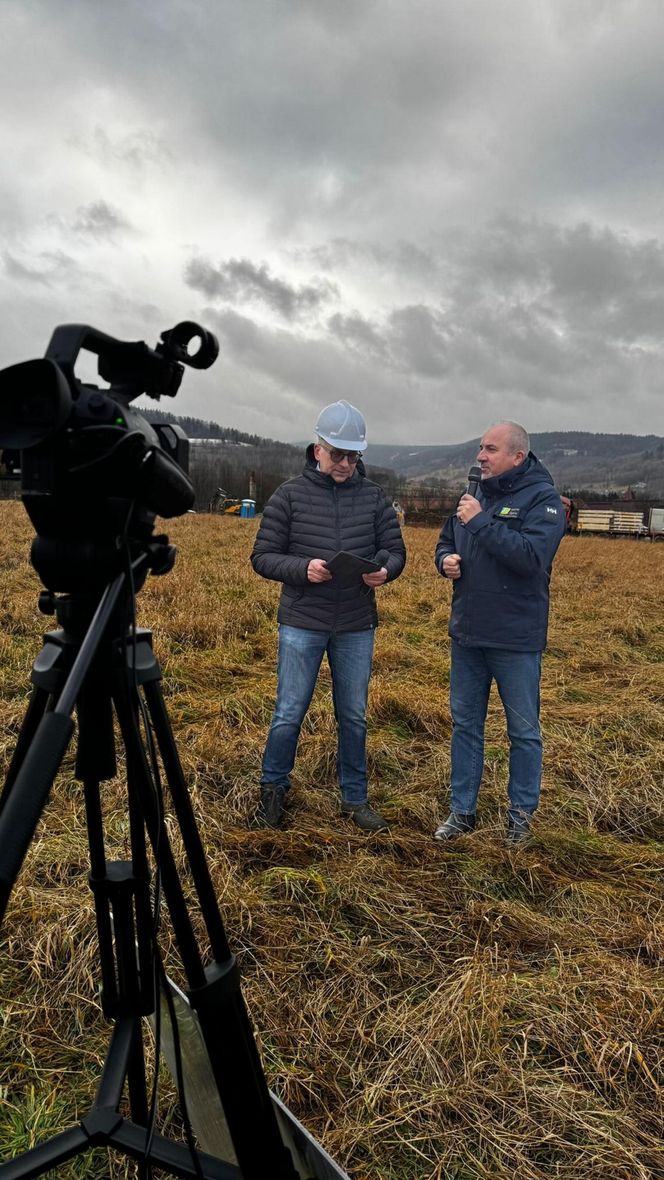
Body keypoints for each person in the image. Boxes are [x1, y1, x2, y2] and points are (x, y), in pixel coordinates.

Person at [251, 399, 406, 832]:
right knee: (288, 712)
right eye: (337, 454)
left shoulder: (375, 498)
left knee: (353, 714)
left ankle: (355, 799)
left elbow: (395, 551)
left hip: (356, 622)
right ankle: (272, 792)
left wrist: (384, 570)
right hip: (303, 620)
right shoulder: (288, 496)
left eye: (353, 456)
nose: (345, 464)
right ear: (317, 449)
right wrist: (303, 569)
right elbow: (262, 557)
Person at [433, 422, 566, 845]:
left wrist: (481, 523)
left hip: (515, 640)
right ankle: (462, 812)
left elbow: (530, 558)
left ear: (517, 457)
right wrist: (446, 560)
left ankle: (520, 819)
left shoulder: (543, 500)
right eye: (480, 448)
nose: (481, 456)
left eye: (490, 449)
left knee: (523, 731)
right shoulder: (474, 494)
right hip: (468, 635)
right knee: (466, 725)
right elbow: (444, 541)